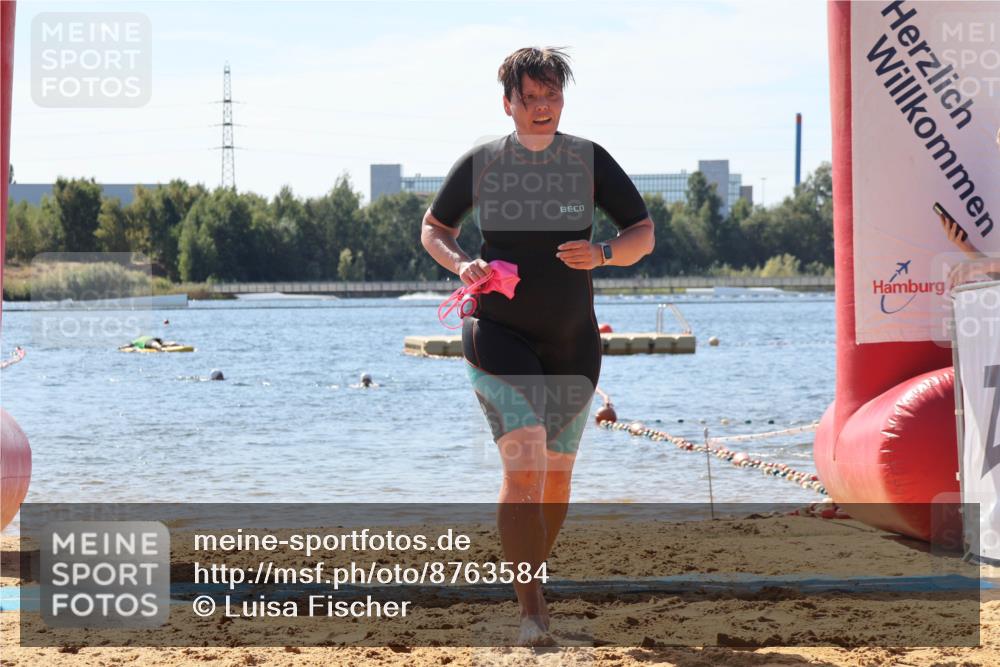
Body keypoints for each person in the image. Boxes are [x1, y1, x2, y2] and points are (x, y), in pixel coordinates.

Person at [420, 46, 654, 645]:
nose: (544, 107)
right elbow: (434, 228)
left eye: (553, 95)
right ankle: (533, 612)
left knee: (555, 482)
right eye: (532, 97)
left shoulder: (589, 160)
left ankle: (528, 578)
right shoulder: (483, 163)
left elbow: (642, 234)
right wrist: (461, 263)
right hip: (497, 332)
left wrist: (603, 252)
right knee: (524, 462)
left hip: (573, 342)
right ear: (509, 104)